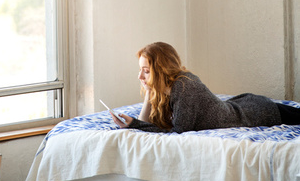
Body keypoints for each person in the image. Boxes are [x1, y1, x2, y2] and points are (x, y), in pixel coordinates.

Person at [110, 41, 300, 133]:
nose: (139, 76)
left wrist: (134, 124)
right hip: (242, 105)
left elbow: (179, 132)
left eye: (146, 71)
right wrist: (148, 93)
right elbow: (147, 123)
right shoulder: (164, 88)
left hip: (257, 112)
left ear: (161, 70)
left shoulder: (185, 86)